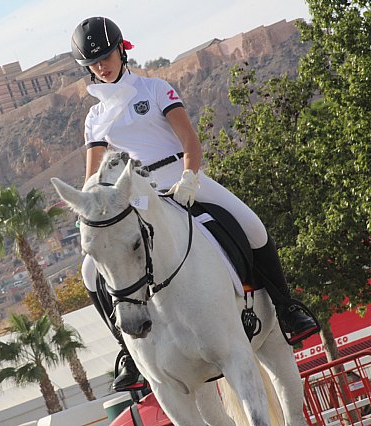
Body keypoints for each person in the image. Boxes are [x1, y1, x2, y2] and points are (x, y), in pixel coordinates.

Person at [70, 16, 319, 392]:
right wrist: (88, 208)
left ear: (121, 50)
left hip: (179, 174)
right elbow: (92, 175)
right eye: (93, 63)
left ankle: (287, 309)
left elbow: (189, 139)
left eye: (105, 56)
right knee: (91, 269)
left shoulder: (154, 89)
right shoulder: (95, 117)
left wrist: (189, 178)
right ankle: (126, 349)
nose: (101, 66)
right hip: (137, 193)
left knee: (252, 226)